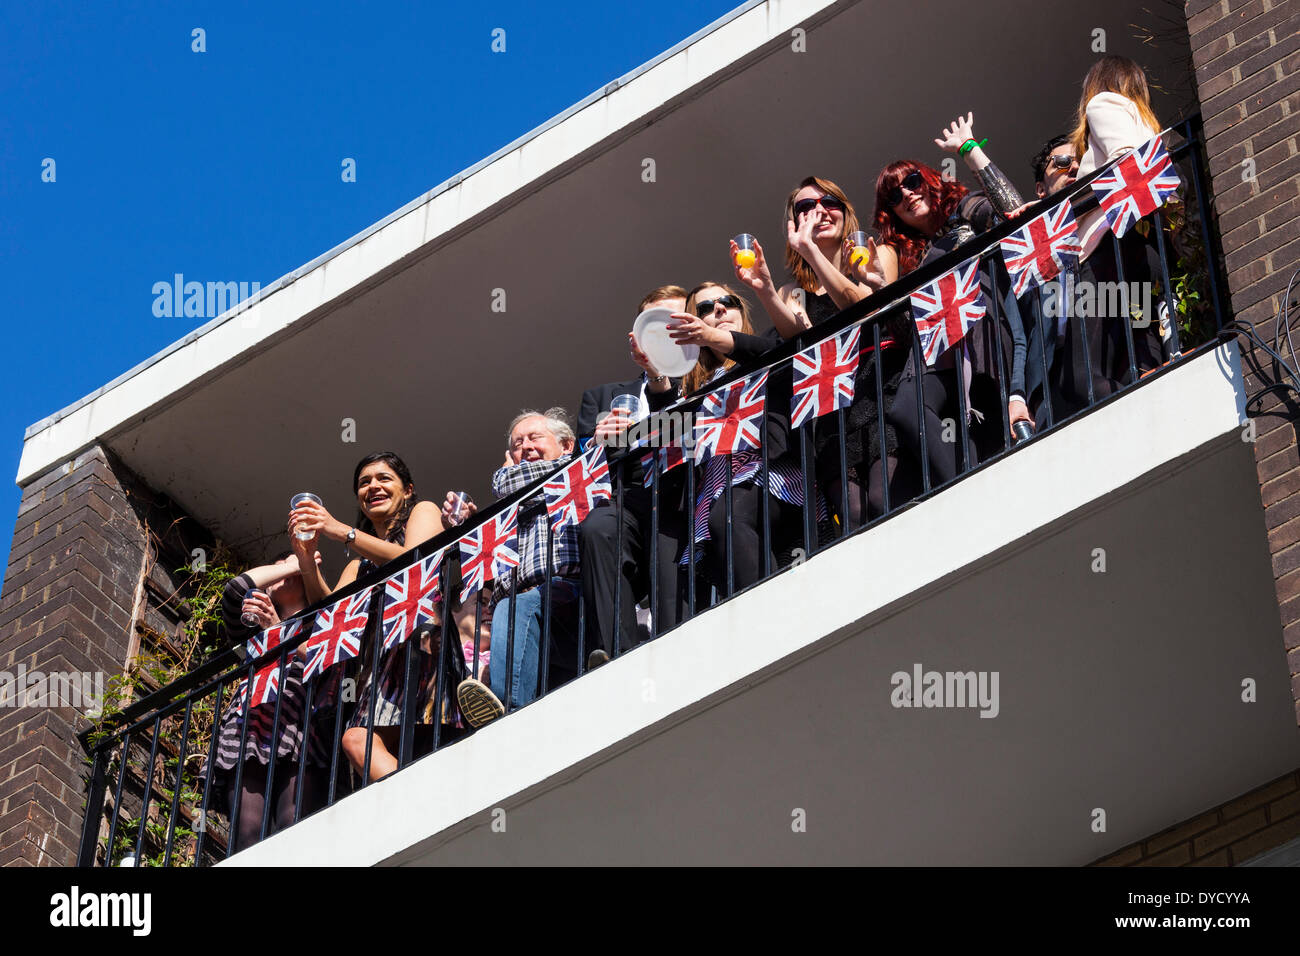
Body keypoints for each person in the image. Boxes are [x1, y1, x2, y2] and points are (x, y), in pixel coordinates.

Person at [729, 176, 905, 526]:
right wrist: (765, 289)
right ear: (795, 223)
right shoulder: (793, 291)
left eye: (830, 202)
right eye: (806, 207)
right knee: (853, 514)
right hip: (833, 410)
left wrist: (809, 249)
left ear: (845, 211)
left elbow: (862, 308)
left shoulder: (876, 254)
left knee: (883, 497)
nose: (820, 211)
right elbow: (793, 340)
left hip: (879, 388)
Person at [869, 114, 1028, 488]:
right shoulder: (905, 259)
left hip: (983, 336)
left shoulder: (965, 209)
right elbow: (907, 332)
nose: (907, 194)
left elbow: (1015, 211)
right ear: (890, 211)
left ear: (928, 179)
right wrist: (881, 287)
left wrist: (969, 150)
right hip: (938, 352)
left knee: (990, 438)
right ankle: (963, 489)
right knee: (907, 408)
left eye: (911, 182)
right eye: (895, 195)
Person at [289, 451, 444, 782]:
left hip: (423, 650)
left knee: (405, 742)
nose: (373, 486)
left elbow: (413, 561)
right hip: (377, 669)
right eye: (364, 483)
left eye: (384, 478)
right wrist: (305, 563)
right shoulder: (358, 565)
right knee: (359, 743)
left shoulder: (424, 511)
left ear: (408, 489)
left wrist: (341, 531)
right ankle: (420, 800)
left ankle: (425, 799)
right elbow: (331, 611)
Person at [668, 282, 813, 591]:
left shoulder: (767, 343)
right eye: (705, 308)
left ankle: (771, 612)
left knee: (729, 516)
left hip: (771, 473)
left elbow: (786, 353)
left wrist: (717, 338)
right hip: (715, 488)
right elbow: (658, 434)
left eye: (727, 301)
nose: (719, 309)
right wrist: (656, 374)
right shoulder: (688, 391)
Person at [576, 286, 690, 663]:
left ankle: (679, 646)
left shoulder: (700, 377)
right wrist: (596, 442)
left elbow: (681, 427)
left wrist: (659, 375)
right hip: (624, 490)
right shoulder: (601, 395)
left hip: (679, 488)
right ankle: (615, 653)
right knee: (598, 527)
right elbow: (579, 465)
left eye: (675, 320)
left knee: (668, 541)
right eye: (655, 324)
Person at [1055, 54, 1171, 409]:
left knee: (1081, 379)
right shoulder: (1146, 122)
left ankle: (1134, 404)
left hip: (1108, 249)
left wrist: (1073, 207)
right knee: (1133, 354)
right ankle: (1148, 402)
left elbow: (1125, 161)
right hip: (1142, 248)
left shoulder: (1102, 103)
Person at [455, 409, 583, 727]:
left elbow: (514, 483)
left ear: (566, 445)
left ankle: (509, 713)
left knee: (515, 607)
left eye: (534, 437)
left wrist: (504, 475)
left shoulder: (573, 470)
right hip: (522, 613)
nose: (524, 447)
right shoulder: (513, 500)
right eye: (516, 443)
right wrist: (472, 524)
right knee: (511, 610)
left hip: (567, 593)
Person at [209, 552, 324, 853]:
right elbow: (236, 588)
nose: (284, 573)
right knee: (247, 834)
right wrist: (296, 563)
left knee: (292, 831)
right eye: (278, 569)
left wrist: (278, 628)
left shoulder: (319, 620)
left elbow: (324, 660)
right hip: (252, 725)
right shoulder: (251, 625)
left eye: (292, 568)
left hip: (301, 728)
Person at [1007, 135, 1081, 436]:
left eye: (1079, 159)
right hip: (1049, 376)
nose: (1073, 166)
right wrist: (1017, 394)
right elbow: (1021, 332)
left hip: (1104, 356)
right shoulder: (1029, 245)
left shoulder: (1103, 222)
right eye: (1061, 162)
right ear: (1040, 189)